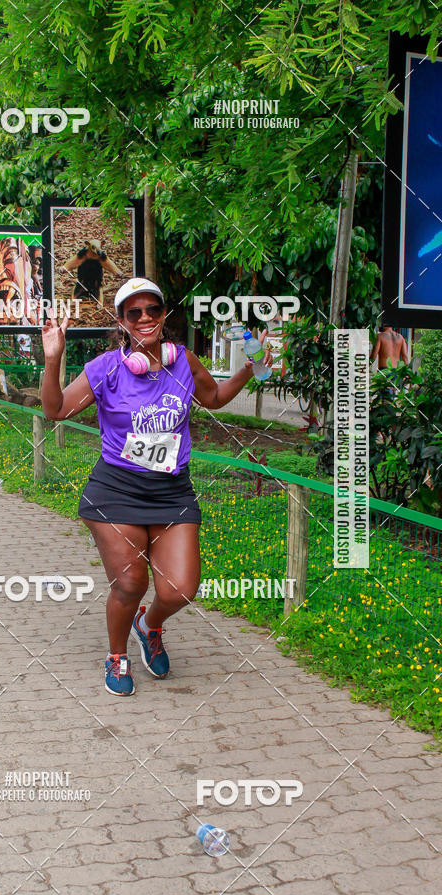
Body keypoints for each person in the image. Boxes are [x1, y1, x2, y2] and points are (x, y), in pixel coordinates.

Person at [42, 277, 272, 696]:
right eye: (134, 312)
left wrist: (248, 369)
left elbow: (213, 398)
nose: (145, 317)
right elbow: (55, 410)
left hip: (171, 493)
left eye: (153, 309)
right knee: (131, 583)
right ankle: (116, 655)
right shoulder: (105, 368)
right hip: (116, 492)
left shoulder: (183, 361)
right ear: (122, 321)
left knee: (181, 588)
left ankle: (148, 625)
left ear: (164, 315)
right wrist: (53, 358)